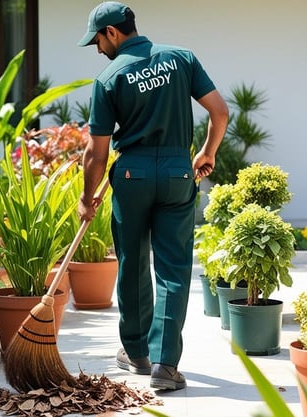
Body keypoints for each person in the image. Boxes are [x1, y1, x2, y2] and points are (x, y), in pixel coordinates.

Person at [77, 1, 229, 390]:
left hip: (132, 174)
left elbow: (96, 152)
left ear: (112, 32)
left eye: (97, 40)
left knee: (132, 262)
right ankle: (165, 365)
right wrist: (208, 152)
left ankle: (136, 352)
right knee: (174, 270)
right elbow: (220, 112)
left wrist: (86, 196)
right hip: (179, 172)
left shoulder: (109, 77)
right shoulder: (181, 58)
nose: (97, 49)